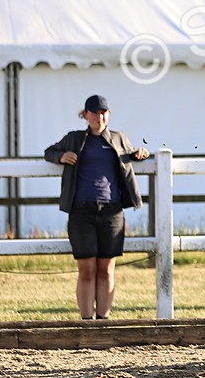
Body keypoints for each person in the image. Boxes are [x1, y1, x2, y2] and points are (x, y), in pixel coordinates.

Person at [44, 94, 149, 320]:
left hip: (112, 211)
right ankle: (86, 321)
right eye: (94, 112)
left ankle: (103, 320)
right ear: (85, 115)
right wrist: (61, 156)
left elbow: (133, 154)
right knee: (87, 269)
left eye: (103, 112)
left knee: (107, 269)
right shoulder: (73, 139)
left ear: (108, 115)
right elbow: (48, 152)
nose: (99, 117)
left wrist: (140, 154)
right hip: (81, 211)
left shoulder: (119, 138)